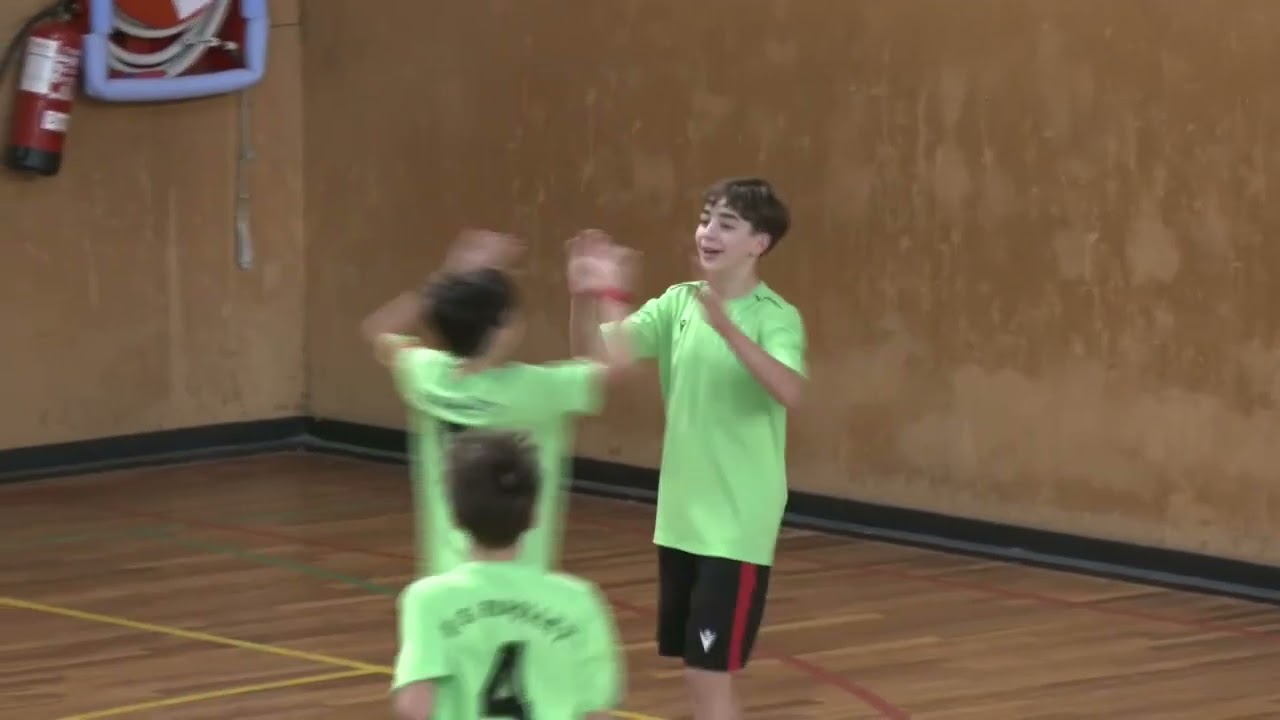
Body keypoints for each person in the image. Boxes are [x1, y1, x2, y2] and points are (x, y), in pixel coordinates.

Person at [577, 177, 806, 720]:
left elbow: (791, 390)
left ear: (759, 243)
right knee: (696, 671)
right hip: (680, 520)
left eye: (727, 223)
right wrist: (595, 294)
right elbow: (607, 358)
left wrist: (729, 330)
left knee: (709, 675)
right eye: (706, 219)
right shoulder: (679, 304)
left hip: (736, 527)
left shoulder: (775, 316)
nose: (708, 232)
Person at [361, 228, 637, 576]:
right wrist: (607, 292)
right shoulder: (532, 391)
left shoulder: (424, 374)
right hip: (522, 582)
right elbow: (617, 364)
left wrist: (451, 276)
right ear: (502, 328)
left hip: (445, 581)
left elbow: (378, 331)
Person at [391, 429, 625, 720]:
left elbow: (414, 708)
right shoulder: (579, 600)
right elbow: (596, 714)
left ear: (453, 514)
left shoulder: (428, 600)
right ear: (535, 515)